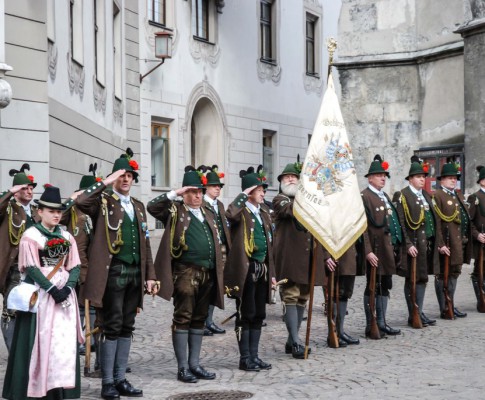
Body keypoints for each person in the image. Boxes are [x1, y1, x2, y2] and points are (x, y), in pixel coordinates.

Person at [76, 149, 157, 400]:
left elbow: (145, 244)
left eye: (129, 176)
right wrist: (106, 182)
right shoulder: (102, 202)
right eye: (121, 176)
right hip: (114, 272)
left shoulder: (138, 207)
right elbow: (81, 202)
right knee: (111, 325)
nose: (126, 180)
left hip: (134, 273)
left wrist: (150, 275)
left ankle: (121, 378)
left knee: (127, 325)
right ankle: (108, 382)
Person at [2, 185, 83, 399]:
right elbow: (31, 266)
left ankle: (60, 389)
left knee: (62, 342)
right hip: (40, 297)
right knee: (37, 340)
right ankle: (32, 390)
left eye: (59, 211)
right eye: (51, 211)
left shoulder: (66, 235)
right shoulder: (31, 235)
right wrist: (50, 289)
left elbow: (74, 265)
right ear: (40, 212)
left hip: (63, 297)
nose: (56, 215)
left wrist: (67, 288)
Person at [147, 166, 225, 383]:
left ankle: (195, 364)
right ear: (185, 193)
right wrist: (176, 193)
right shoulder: (175, 210)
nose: (197, 195)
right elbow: (152, 206)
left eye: (200, 191)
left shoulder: (208, 212)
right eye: (192, 191)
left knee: (199, 318)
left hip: (207, 273)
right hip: (185, 271)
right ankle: (183, 368)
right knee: (183, 317)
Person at [272, 161, 325, 358]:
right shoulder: (280, 199)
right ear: (281, 182)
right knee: (291, 296)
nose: (291, 179)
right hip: (290, 258)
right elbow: (291, 211)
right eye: (287, 178)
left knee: (303, 297)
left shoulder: (306, 200)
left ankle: (291, 338)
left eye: (294, 177)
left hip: (307, 257)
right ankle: (295, 342)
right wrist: (309, 194)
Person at [225, 165, 275, 371]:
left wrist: (272, 274)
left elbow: (270, 244)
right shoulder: (241, 211)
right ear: (250, 192)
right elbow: (229, 214)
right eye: (259, 189)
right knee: (246, 313)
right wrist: (242, 195)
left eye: (263, 189)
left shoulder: (263, 211)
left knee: (259, 314)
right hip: (246, 270)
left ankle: (254, 355)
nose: (263, 192)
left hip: (261, 269)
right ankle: (245, 358)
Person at [393, 156, 439, 327]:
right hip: (413, 245)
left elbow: (433, 220)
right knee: (411, 279)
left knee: (422, 278)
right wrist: (408, 244)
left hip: (425, 244)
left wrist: (437, 242)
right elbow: (401, 223)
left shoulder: (426, 195)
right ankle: (413, 312)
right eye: (419, 177)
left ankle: (419, 311)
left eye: (423, 176)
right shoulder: (403, 196)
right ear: (410, 179)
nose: (422, 179)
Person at [63, 164, 100, 368]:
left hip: (95, 267)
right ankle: (77, 339)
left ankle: (91, 339)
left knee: (93, 305)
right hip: (77, 267)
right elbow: (61, 212)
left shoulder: (97, 213)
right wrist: (73, 197)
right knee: (76, 306)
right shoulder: (73, 213)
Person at [361, 155, 402, 338]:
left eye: (384, 175)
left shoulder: (384, 195)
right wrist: (367, 251)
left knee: (385, 284)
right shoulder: (365, 196)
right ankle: (372, 324)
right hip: (375, 250)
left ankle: (382, 322)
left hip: (387, 249)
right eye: (378, 175)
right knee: (372, 286)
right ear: (370, 178)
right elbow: (363, 228)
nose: (383, 178)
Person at [0, 163, 39, 352]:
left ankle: (28, 350)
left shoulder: (35, 211)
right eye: (25, 188)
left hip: (35, 268)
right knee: (12, 311)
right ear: (16, 191)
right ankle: (14, 351)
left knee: (32, 308)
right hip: (15, 268)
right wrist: (10, 191)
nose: (30, 191)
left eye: (31, 188)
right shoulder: (8, 209)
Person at [432, 162, 472, 319]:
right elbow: (437, 222)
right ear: (442, 180)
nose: (453, 180)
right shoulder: (438, 196)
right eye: (449, 178)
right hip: (447, 243)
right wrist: (440, 244)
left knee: (455, 272)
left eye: (454, 178)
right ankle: (444, 306)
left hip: (458, 242)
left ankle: (451, 304)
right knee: (443, 274)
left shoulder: (457, 195)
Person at [202, 165, 230, 336]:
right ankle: (201, 321)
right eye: (214, 186)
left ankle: (209, 320)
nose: (217, 188)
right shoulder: (201, 202)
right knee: (205, 286)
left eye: (219, 186)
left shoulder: (219, 204)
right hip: (208, 250)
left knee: (216, 285)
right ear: (206, 187)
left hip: (221, 249)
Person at [468, 165, 485, 310]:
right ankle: (481, 299)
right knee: (479, 271)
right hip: (481, 242)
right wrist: (477, 235)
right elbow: (469, 221)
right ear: (481, 181)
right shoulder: (475, 198)